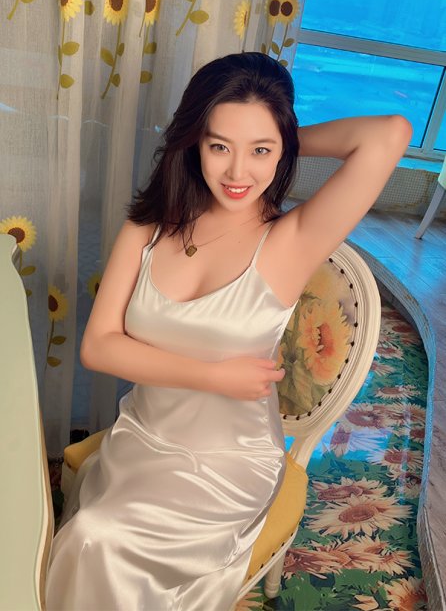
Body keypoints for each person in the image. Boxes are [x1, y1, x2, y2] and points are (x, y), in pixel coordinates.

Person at [45, 52, 412, 610]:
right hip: (142, 438)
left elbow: (389, 134)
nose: (239, 173)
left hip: (227, 463)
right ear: (194, 141)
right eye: (219, 146)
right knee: (94, 534)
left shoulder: (291, 241)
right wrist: (213, 375)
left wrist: (281, 137)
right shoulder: (148, 227)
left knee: (99, 538)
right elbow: (99, 347)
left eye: (260, 151)